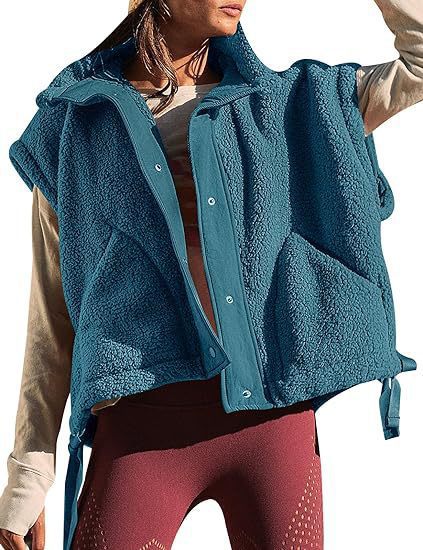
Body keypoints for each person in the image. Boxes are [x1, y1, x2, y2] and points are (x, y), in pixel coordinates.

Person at [0, 0, 422, 548]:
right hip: (141, 432)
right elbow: (53, 315)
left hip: (273, 430)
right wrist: (29, 477)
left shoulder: (290, 104)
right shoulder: (75, 122)